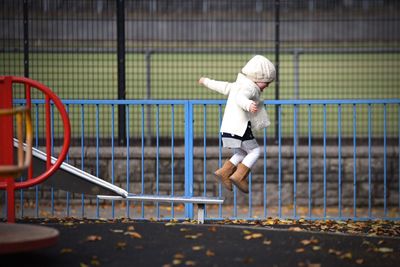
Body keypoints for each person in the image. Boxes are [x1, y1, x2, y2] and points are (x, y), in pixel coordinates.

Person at [198, 55, 276, 193]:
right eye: (267, 82)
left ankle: (224, 172)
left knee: (240, 152)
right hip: (240, 129)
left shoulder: (236, 85)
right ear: (257, 78)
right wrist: (249, 104)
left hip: (228, 129)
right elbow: (241, 98)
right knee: (255, 151)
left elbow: (221, 86)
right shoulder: (249, 88)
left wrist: (206, 81)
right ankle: (239, 176)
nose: (268, 85)